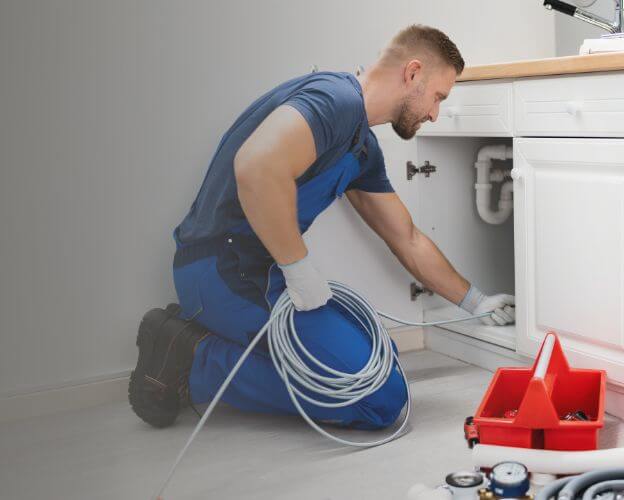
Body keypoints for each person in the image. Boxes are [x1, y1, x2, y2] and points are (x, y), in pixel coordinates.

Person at [129, 25, 515, 430]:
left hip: (261, 275)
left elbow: (408, 239)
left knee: (380, 358)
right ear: (413, 72)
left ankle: (216, 342)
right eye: (438, 96)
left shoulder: (361, 146)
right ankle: (192, 359)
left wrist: (476, 302)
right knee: (379, 399)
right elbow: (256, 166)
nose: (435, 113)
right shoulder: (334, 100)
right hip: (221, 272)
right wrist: (298, 270)